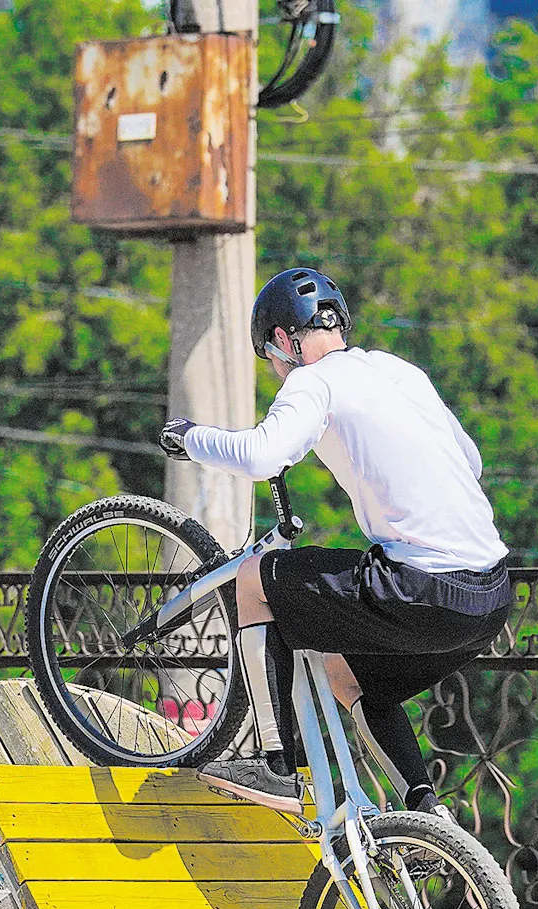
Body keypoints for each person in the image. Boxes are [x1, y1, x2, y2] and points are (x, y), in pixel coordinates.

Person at [158, 267, 518, 814]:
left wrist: (190, 438)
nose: (277, 372)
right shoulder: (399, 371)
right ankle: (425, 817)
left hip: (419, 584)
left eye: (271, 359)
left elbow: (260, 456)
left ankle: (273, 767)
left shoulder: (313, 381)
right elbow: (472, 461)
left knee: (254, 580)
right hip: (489, 595)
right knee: (346, 674)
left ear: (284, 340)